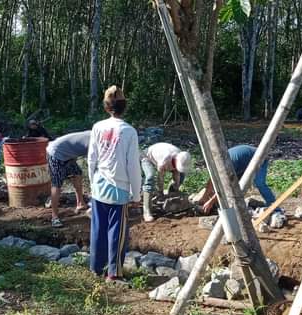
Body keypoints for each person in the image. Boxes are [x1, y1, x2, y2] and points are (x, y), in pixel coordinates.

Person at [87, 85, 142, 281]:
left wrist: (93, 183)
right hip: (119, 189)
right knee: (116, 234)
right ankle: (113, 273)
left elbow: (91, 159)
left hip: (99, 186)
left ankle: (95, 267)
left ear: (106, 106)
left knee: (98, 229)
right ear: (124, 106)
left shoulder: (98, 127)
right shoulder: (129, 131)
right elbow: (133, 165)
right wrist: (136, 194)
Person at [198, 145, 278, 214]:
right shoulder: (216, 163)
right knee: (235, 186)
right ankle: (236, 206)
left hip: (259, 157)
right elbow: (212, 180)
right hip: (242, 163)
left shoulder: (227, 165)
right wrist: (204, 196)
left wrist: (211, 202)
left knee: (259, 183)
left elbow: (226, 186)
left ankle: (275, 209)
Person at [46, 130, 91, 227]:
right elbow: (93, 164)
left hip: (68, 155)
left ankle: (80, 203)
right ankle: (54, 217)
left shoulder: (97, 134)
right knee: (57, 184)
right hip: (56, 153)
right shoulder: (95, 141)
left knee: (77, 174)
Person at [141, 142, 192, 222]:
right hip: (147, 157)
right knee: (150, 177)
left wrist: (175, 188)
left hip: (164, 158)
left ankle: (172, 196)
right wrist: (160, 193)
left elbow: (177, 173)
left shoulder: (181, 157)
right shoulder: (164, 160)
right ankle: (147, 211)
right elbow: (160, 178)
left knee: (182, 175)